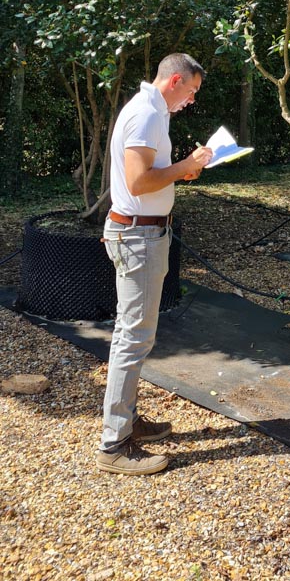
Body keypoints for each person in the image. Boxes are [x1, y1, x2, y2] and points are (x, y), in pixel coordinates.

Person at [96, 53, 214, 475]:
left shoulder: (151, 111)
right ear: (175, 80)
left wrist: (181, 171)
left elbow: (150, 176)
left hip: (142, 232)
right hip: (139, 236)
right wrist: (184, 166)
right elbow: (138, 182)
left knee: (133, 335)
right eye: (192, 91)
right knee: (133, 338)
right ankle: (114, 445)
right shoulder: (147, 115)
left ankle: (125, 422)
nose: (191, 101)